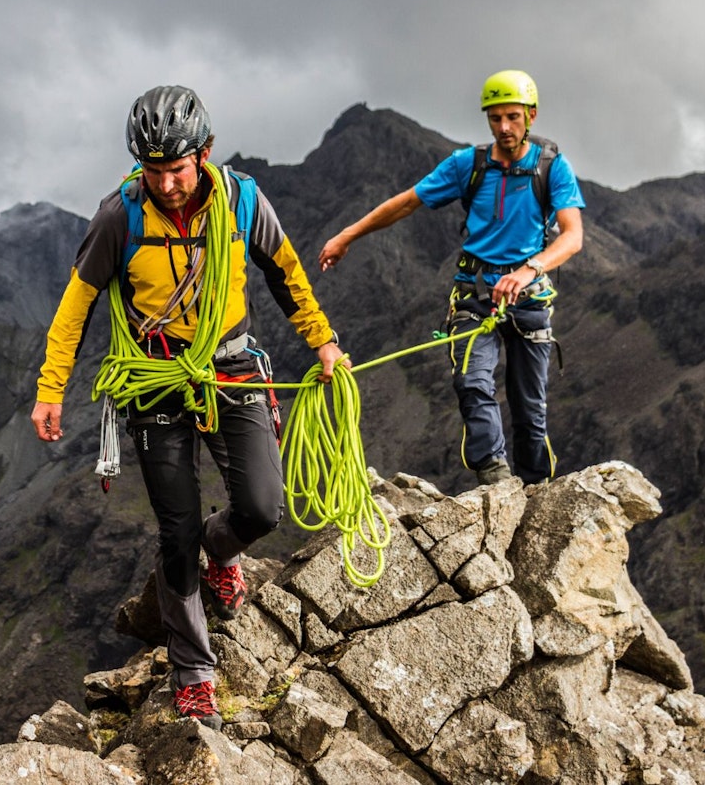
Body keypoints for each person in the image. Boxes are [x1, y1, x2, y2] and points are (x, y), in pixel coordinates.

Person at [30, 85, 347, 729]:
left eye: (178, 168)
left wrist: (322, 341)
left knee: (260, 509)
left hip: (230, 367)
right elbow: (77, 303)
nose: (168, 184)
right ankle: (194, 669)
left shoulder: (242, 202)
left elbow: (285, 272)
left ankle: (221, 551)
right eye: (155, 170)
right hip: (155, 379)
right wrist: (51, 385)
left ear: (203, 153)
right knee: (174, 530)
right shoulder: (120, 215)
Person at [318, 69, 584, 487]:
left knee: (530, 409)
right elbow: (406, 203)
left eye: (513, 117)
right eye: (495, 118)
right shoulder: (469, 165)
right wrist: (348, 236)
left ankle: (536, 491)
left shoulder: (551, 169)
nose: (504, 127)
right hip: (475, 298)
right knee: (473, 383)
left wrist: (528, 270)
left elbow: (573, 236)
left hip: (529, 300)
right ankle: (495, 478)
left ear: (531, 115)